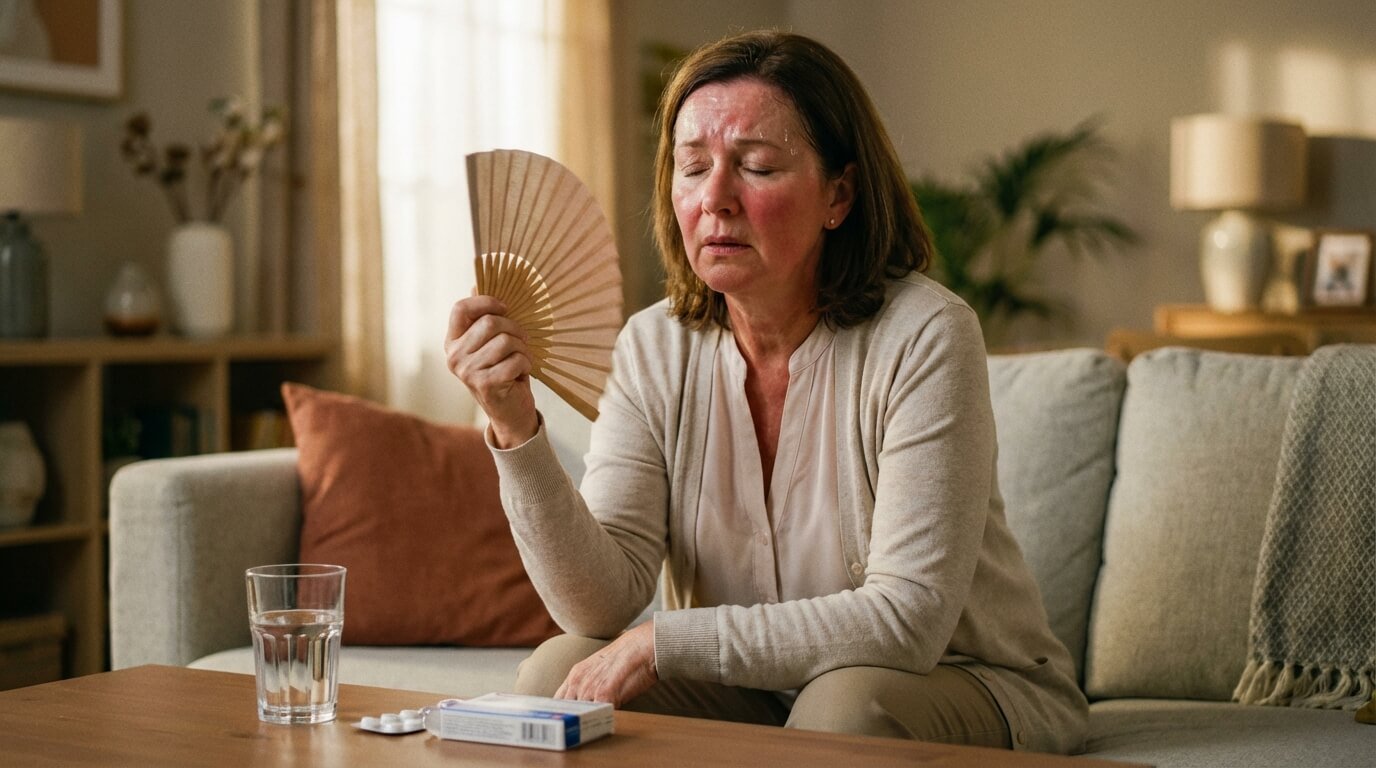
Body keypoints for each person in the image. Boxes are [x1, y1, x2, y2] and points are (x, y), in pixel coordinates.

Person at [445, 30, 1087, 754]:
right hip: (752, 691)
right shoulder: (654, 345)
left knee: (841, 711)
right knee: (556, 675)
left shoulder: (927, 334)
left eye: (755, 166)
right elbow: (598, 601)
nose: (715, 199)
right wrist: (515, 426)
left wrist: (664, 642)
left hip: (957, 676)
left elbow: (906, 620)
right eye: (692, 168)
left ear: (838, 195)